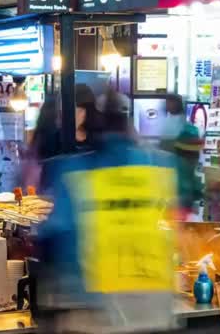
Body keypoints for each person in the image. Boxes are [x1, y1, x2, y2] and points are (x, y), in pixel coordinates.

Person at [35, 90, 177, 333]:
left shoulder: (74, 172)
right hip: (153, 310)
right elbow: (172, 226)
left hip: (91, 312)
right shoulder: (161, 167)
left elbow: (55, 234)